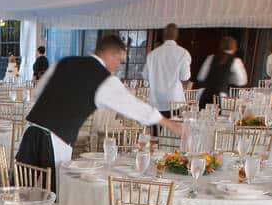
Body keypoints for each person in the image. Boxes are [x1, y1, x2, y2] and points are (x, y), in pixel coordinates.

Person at [16, 35, 182, 188]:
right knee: (55, 193)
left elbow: (37, 93)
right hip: (56, 139)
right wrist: (169, 124)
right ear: (110, 54)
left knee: (18, 190)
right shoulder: (104, 79)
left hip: (30, 131)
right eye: (119, 60)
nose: (118, 66)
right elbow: (135, 107)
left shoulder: (65, 62)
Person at [144, 23, 191, 117]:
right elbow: (185, 77)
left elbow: (146, 76)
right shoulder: (183, 53)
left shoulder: (152, 54)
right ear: (176, 36)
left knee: (156, 126)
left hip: (155, 101)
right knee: (173, 126)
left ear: (163, 36)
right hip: (174, 101)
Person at [197, 36, 248, 108]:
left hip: (205, 94)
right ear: (235, 48)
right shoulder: (236, 61)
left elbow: (200, 77)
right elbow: (241, 81)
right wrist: (228, 80)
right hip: (220, 97)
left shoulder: (211, 58)